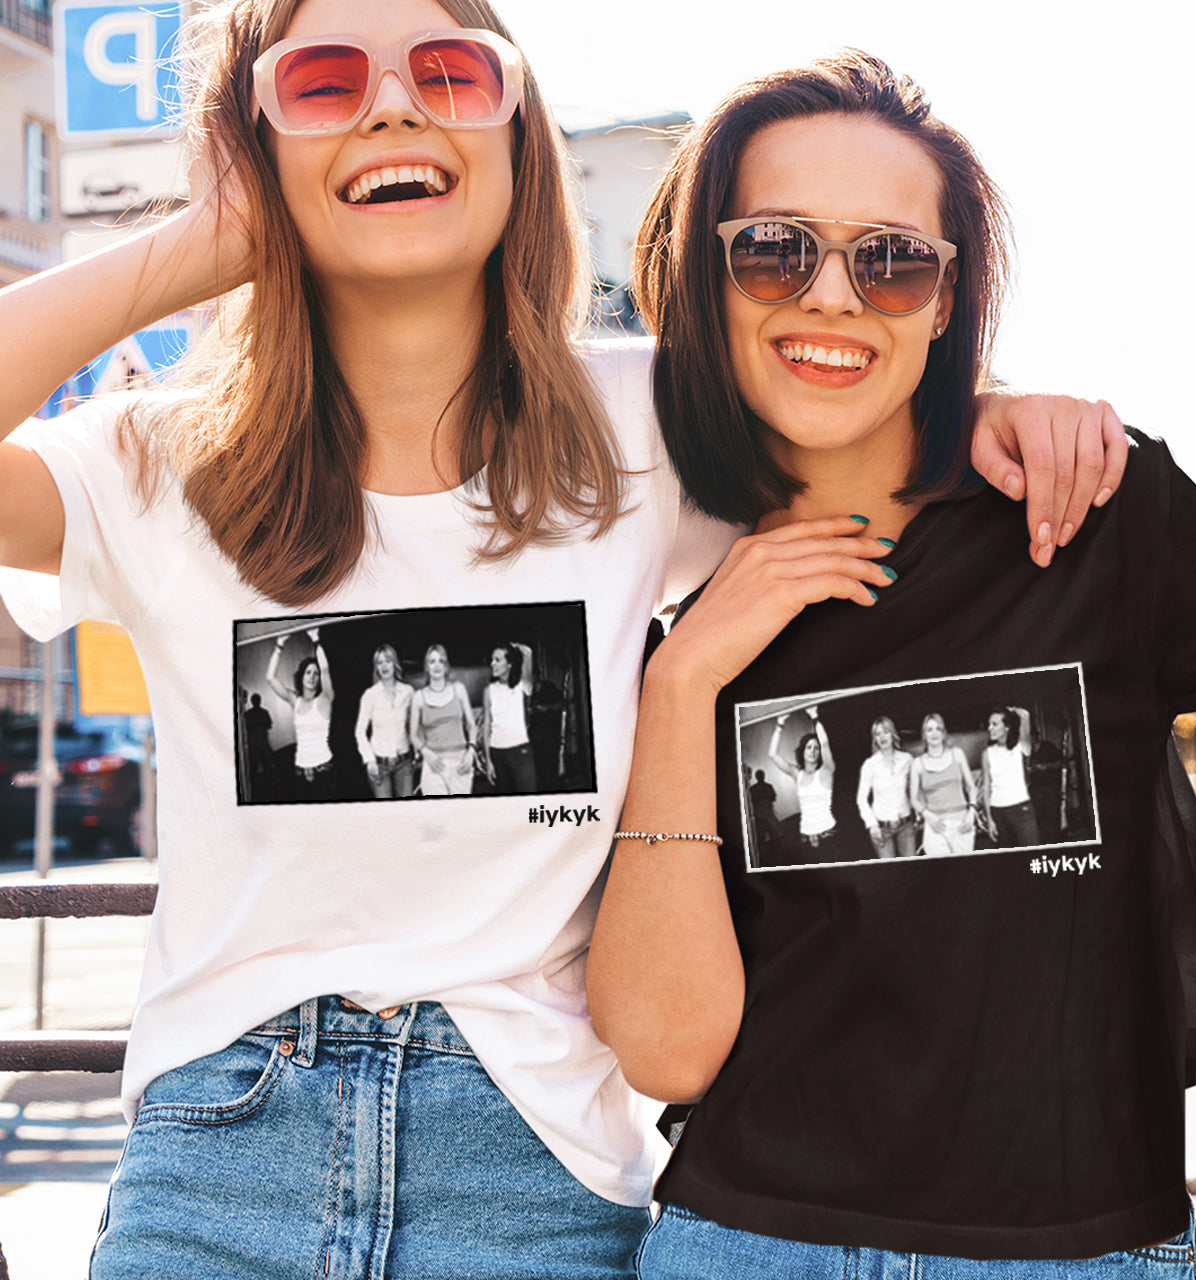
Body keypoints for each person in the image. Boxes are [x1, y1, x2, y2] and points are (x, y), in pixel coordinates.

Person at [0, 0, 1132, 1269]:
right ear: (251, 145)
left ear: (521, 135)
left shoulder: (642, 422)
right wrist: (209, 241)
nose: (391, 104)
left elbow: (868, 425)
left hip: (533, 1163)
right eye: (320, 82)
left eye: (449, 70)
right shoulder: (157, 460)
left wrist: (993, 408)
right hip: (220, 1156)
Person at [588, 49, 1196, 1277]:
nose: (835, 295)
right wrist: (684, 680)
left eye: (892, 258)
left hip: (1085, 1249)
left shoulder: (1095, 511)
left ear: (948, 298)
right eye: (773, 248)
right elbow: (665, 1050)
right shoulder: (649, 575)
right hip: (745, 1244)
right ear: (702, 278)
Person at [265, 627, 335, 800]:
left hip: (324, 769)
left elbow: (325, 669)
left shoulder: (325, 699)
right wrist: (279, 645)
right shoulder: (294, 700)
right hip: (299, 770)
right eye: (308, 672)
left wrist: (315, 639)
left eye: (315, 674)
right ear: (302, 676)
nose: (312, 676)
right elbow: (270, 678)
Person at [767, 705, 836, 857]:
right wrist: (780, 723)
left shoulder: (826, 770)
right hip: (805, 835)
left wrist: (814, 716)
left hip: (828, 833)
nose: (812, 751)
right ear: (802, 751)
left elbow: (824, 744)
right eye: (808, 747)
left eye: (815, 748)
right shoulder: (797, 774)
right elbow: (772, 754)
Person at [909, 711, 979, 856]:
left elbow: (971, 786)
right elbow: (914, 799)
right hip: (935, 824)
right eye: (929, 729)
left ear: (943, 733)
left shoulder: (957, 754)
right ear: (924, 735)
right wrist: (927, 815)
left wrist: (972, 811)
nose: (934, 733)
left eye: (938, 729)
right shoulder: (917, 764)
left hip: (961, 822)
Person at [412, 643, 478, 796]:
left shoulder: (459, 689)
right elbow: (413, 735)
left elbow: (471, 725)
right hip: (434, 765)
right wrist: (425, 752)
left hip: (460, 764)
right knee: (438, 816)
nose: (437, 666)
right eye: (432, 661)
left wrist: (471, 751)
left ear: (446, 666)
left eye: (441, 661)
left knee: (460, 814)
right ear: (426, 666)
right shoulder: (418, 697)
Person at [354, 643, 416, 797]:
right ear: (376, 667)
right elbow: (360, 731)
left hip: (404, 763)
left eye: (388, 661)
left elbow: (416, 724)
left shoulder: (408, 692)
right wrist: (369, 760)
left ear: (395, 663)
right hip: (379, 765)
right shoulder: (370, 695)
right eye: (379, 662)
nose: (384, 666)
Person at [856, 715, 915, 858]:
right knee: (890, 873)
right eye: (877, 734)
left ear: (892, 734)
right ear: (874, 739)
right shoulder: (870, 765)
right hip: (882, 829)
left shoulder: (907, 759)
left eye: (885, 732)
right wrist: (872, 825)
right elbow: (861, 798)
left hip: (906, 826)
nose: (882, 737)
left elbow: (916, 789)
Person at [981, 705, 1040, 848]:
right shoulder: (987, 753)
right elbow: (986, 787)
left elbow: (1025, 714)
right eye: (989, 724)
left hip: (1021, 810)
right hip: (998, 811)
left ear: (1006, 727)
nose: (990, 728)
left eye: (995, 724)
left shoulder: (1020, 746)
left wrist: (1013, 709)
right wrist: (989, 819)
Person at [481, 641, 536, 793]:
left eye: (498, 660)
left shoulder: (522, 685)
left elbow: (528, 652)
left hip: (520, 753)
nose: (493, 664)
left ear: (509, 663)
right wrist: (488, 762)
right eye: (492, 660)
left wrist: (515, 645)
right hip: (497, 753)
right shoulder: (489, 691)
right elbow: (486, 727)